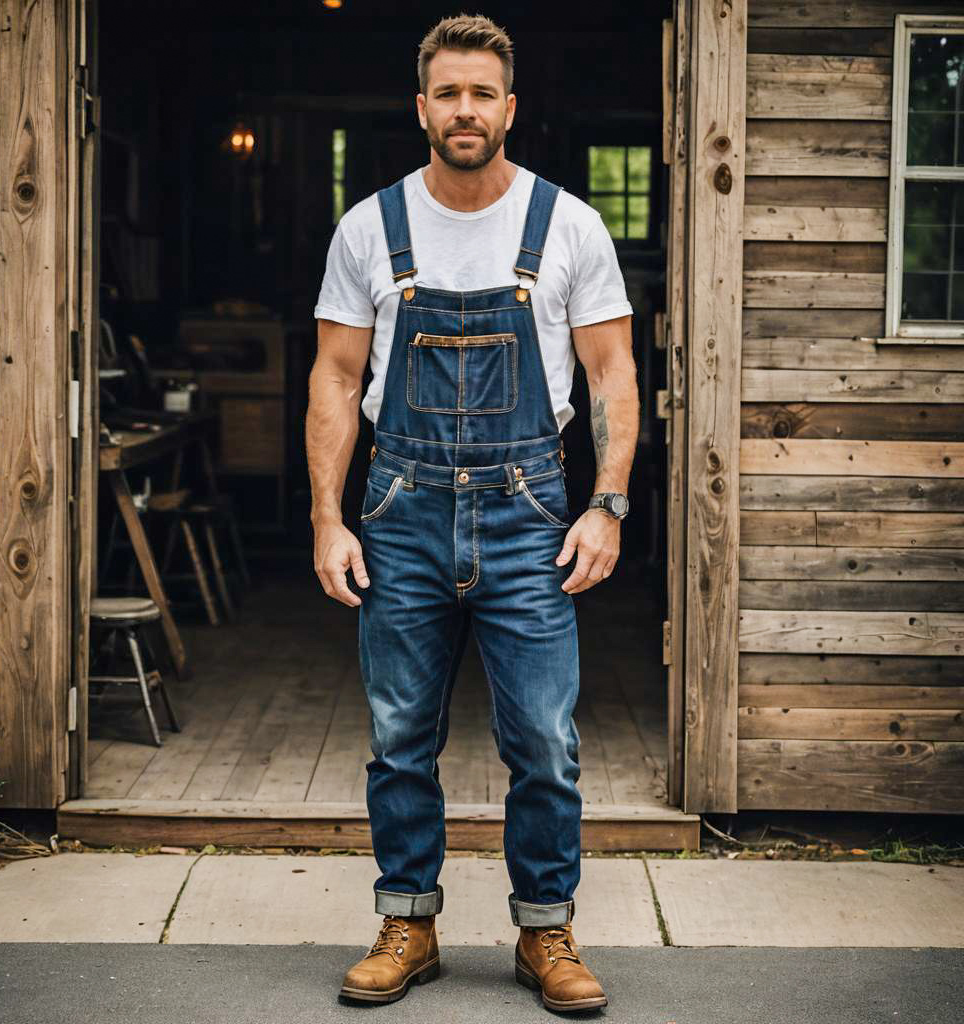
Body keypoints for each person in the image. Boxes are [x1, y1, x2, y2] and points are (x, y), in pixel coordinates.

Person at [306, 12, 637, 1013]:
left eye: (480, 92)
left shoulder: (567, 224)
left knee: (542, 734)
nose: (463, 109)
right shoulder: (369, 226)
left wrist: (607, 503)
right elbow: (333, 375)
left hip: (527, 509)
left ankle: (546, 931)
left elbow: (612, 371)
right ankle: (408, 922)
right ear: (421, 107)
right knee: (401, 731)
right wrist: (327, 515)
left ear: (509, 107)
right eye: (446, 92)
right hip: (400, 509)